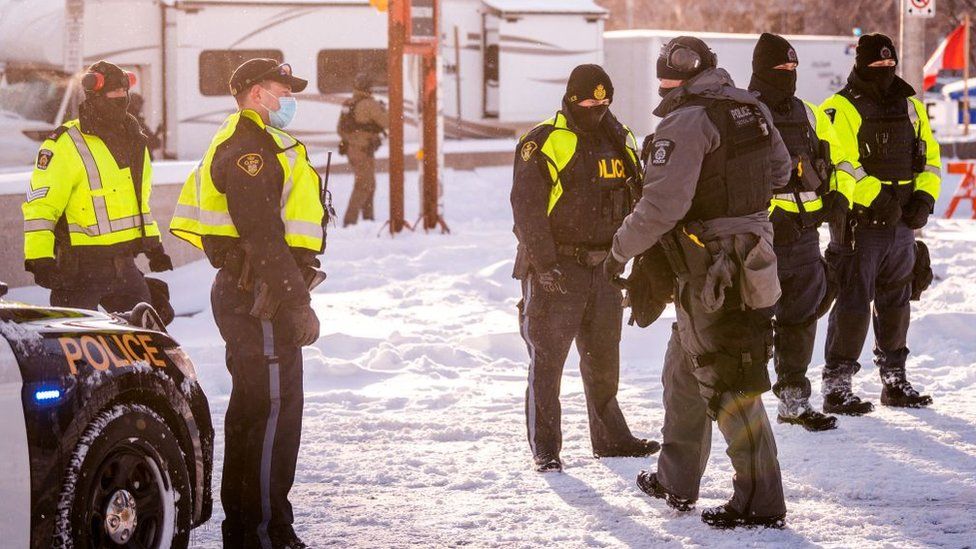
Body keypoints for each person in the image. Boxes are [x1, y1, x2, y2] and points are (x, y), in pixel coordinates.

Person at [605, 36, 790, 528]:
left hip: (712, 266)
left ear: (674, 79)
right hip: (753, 256)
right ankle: (675, 479)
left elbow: (661, 206)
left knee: (728, 373)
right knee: (684, 369)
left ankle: (760, 502)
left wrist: (618, 250)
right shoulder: (750, 108)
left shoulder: (687, 120)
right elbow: (781, 170)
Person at [170, 58, 327, 549]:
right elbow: (261, 235)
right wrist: (296, 301)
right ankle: (260, 533)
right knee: (270, 416)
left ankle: (255, 527)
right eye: (284, 89)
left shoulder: (251, 140)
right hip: (259, 295)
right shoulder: (249, 148)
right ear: (258, 93)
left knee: (256, 413)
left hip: (257, 291)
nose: (291, 99)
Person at [511, 63, 660, 474]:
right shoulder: (545, 141)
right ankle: (546, 448)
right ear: (572, 99)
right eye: (589, 100)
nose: (597, 107)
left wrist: (637, 258)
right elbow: (527, 210)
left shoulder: (621, 137)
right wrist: (544, 265)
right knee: (548, 361)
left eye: (604, 100)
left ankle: (611, 439)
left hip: (607, 267)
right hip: (559, 268)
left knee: (603, 361)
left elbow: (641, 197)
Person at [820, 33, 942, 413]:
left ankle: (894, 381)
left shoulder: (910, 106)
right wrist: (877, 198)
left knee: (897, 302)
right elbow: (840, 165)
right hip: (861, 224)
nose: (884, 71)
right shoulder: (840, 108)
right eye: (877, 66)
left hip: (903, 223)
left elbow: (930, 158)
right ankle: (837, 386)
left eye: (890, 65)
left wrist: (924, 197)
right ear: (860, 65)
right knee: (853, 304)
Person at [748, 33, 858, 432]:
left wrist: (835, 199)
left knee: (801, 319)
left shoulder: (809, 114)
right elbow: (740, 178)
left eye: (794, 68)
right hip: (764, 240)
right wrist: (769, 215)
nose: (789, 75)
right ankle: (742, 406)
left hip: (807, 237)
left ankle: (794, 400)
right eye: (781, 68)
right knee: (753, 323)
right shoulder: (746, 113)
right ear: (762, 70)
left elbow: (835, 163)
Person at [22, 60, 172, 311]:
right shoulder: (65, 143)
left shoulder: (135, 140)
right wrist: (39, 258)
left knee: (145, 342)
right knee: (76, 346)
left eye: (125, 92)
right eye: (114, 92)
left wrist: (153, 246)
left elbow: (138, 202)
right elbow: (41, 206)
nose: (121, 98)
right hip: (79, 271)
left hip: (125, 266)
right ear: (95, 95)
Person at [339, 73, 388, 226]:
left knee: (369, 184)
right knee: (364, 185)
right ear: (368, 87)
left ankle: (368, 220)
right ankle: (350, 222)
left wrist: (353, 139)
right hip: (363, 150)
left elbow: (341, 129)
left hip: (352, 150)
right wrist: (382, 109)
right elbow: (387, 122)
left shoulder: (349, 103)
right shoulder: (369, 104)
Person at [127, 92, 163, 157]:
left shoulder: (128, 120)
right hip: (140, 160)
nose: (141, 108)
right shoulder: (135, 122)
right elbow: (151, 142)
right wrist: (157, 133)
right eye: (139, 104)